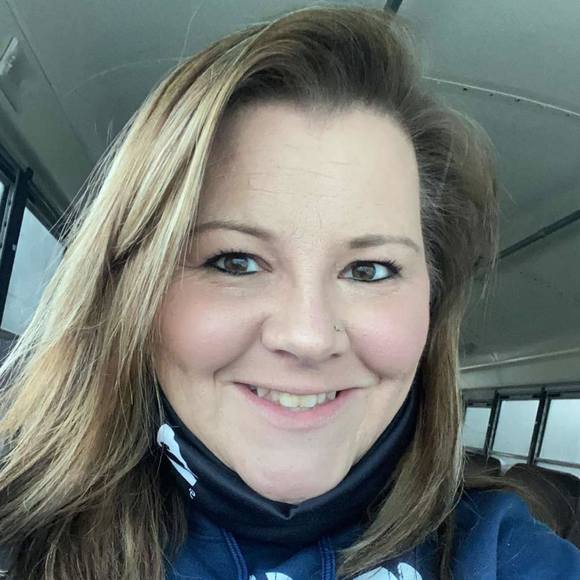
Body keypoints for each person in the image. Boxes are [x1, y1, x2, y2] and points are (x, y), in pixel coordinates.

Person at [0, 5, 578, 580]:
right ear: (133, 292)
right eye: (235, 261)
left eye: (370, 270)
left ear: (432, 301)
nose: (307, 337)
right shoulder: (17, 533)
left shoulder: (508, 556)